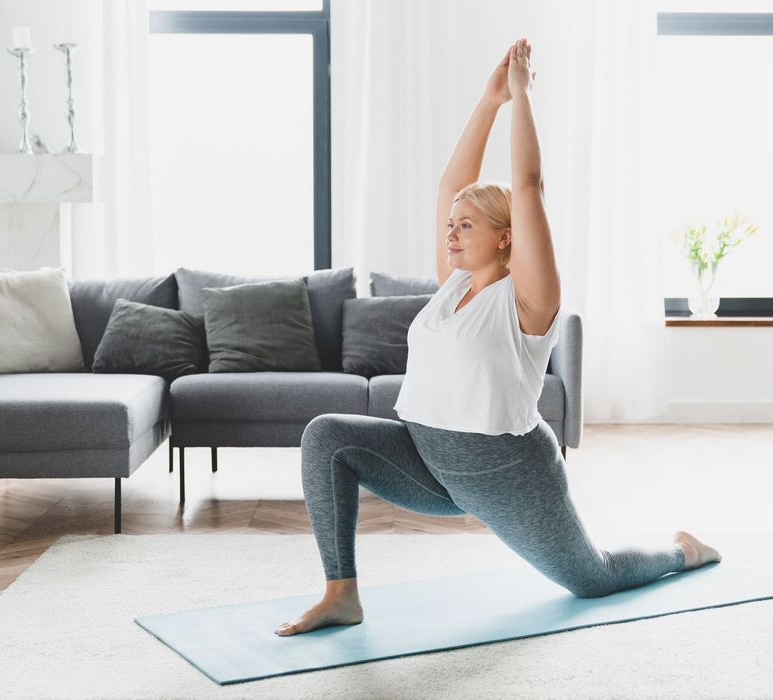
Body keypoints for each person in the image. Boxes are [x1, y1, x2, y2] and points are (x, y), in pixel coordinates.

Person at [276, 38, 720, 637]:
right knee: (325, 437)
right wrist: (486, 103)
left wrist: (520, 97)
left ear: (506, 237)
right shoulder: (449, 287)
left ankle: (684, 551)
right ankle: (341, 594)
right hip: (430, 462)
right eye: (449, 227)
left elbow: (529, 185)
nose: (451, 235)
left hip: (506, 472)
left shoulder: (529, 301)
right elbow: (448, 188)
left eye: (466, 226)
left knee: (593, 576)